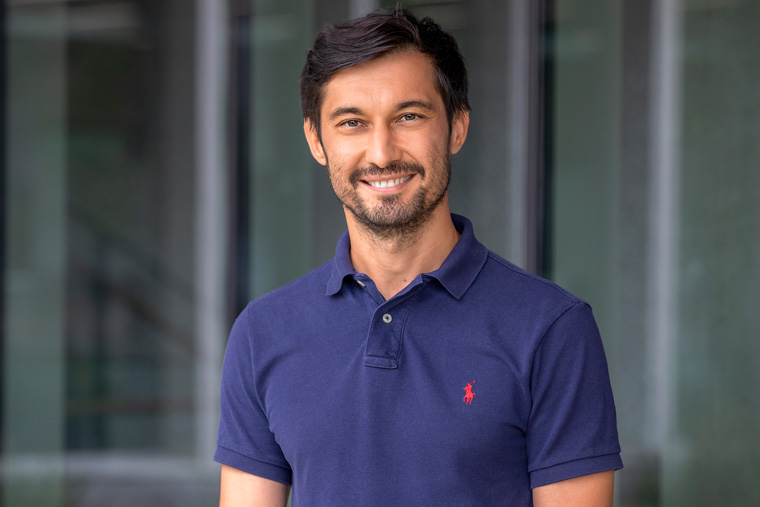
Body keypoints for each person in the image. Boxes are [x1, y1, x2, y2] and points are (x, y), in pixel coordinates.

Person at [215, 7, 622, 507]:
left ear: (457, 127)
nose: (382, 152)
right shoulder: (263, 332)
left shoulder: (552, 329)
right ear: (316, 141)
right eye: (352, 123)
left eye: (409, 116)